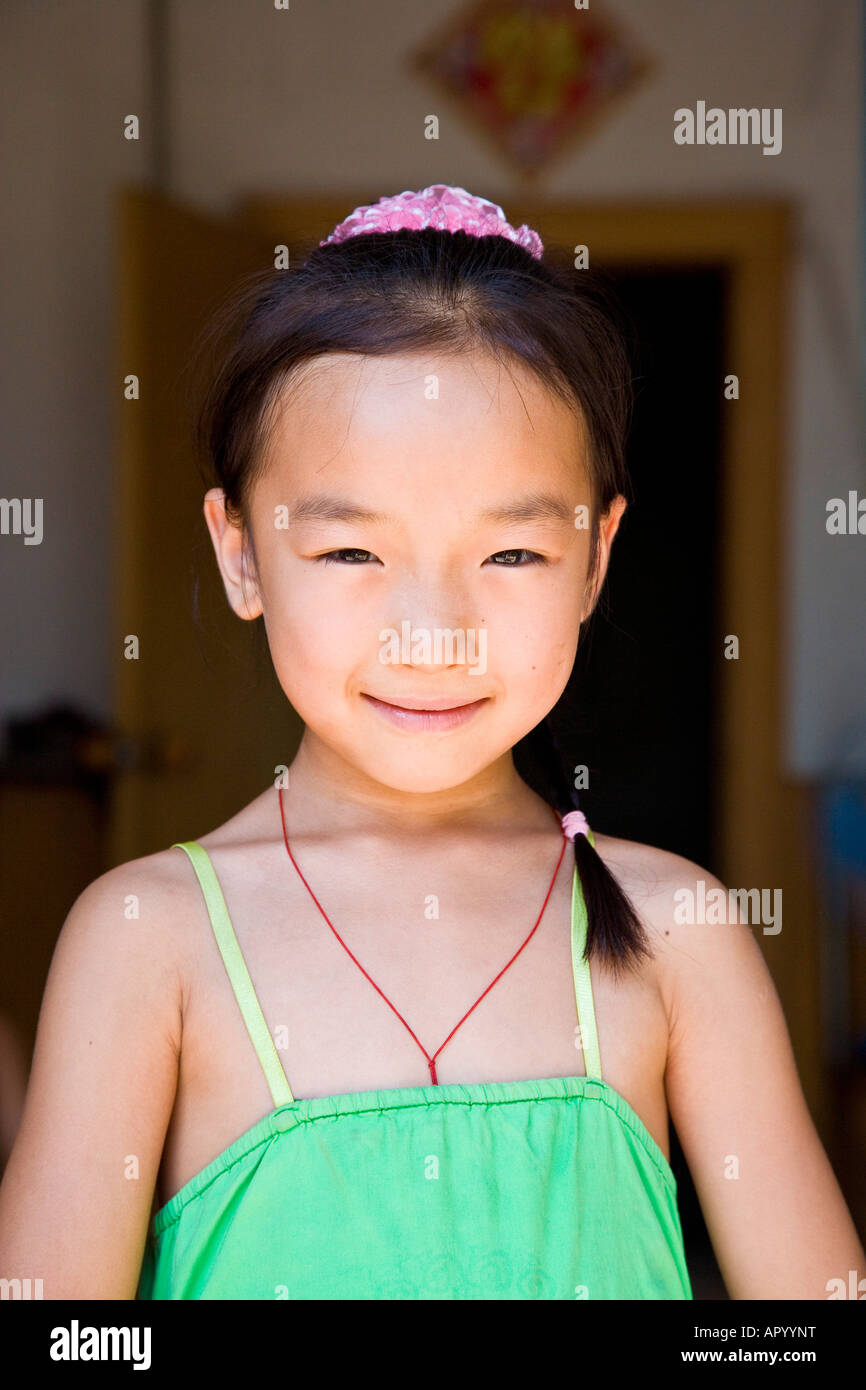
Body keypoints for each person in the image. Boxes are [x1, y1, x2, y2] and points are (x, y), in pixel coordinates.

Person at [0, 186, 862, 1300]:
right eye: (351, 553)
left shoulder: (677, 934)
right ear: (242, 556)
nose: (431, 634)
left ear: (595, 558)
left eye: (509, 557)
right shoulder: (146, 940)